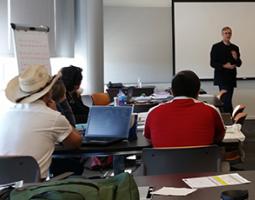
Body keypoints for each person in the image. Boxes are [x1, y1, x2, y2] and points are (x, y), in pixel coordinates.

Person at [0, 65, 82, 179]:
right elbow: (75, 143)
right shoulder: (53, 117)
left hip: (3, 190)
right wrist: (57, 112)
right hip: (32, 191)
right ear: (48, 93)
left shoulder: (5, 114)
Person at [144, 70, 225, 148]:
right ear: (198, 92)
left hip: (163, 161)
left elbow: (148, 139)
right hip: (203, 161)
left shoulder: (153, 112)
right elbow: (219, 137)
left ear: (172, 91)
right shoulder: (211, 110)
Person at [210, 26, 242, 113]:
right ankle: (229, 120)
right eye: (226, 33)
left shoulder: (235, 47)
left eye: (229, 33)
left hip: (231, 78)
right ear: (222, 34)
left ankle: (228, 120)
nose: (228, 35)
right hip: (221, 77)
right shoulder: (216, 47)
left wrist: (236, 58)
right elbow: (212, 63)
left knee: (227, 100)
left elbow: (239, 63)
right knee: (225, 101)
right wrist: (224, 66)